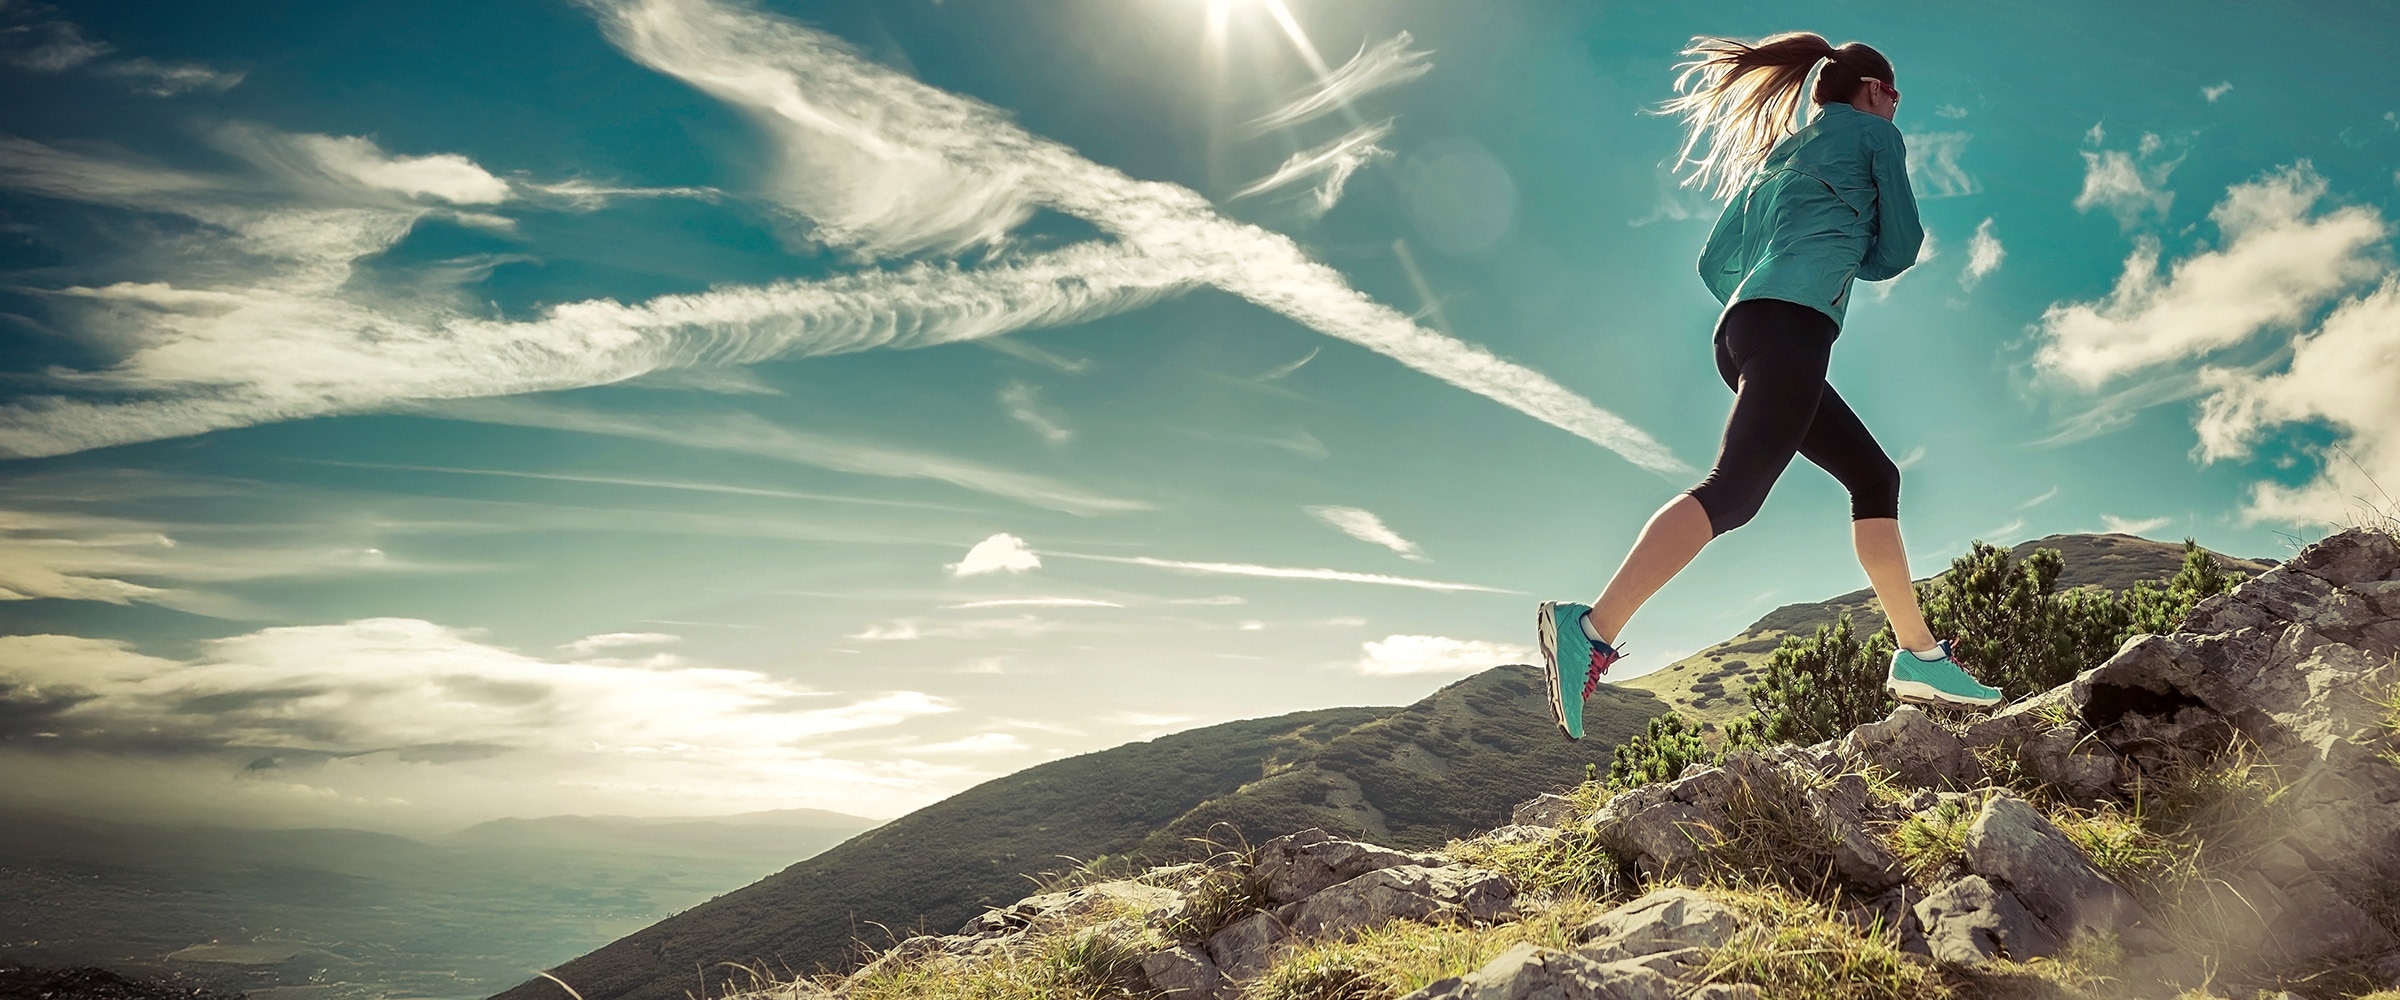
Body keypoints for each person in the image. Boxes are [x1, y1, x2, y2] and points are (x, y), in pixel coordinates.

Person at [1537, 32, 2003, 742]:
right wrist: (1829, 265)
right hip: (1792, 328)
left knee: (1875, 477)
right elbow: (1899, 248)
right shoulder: (1875, 136)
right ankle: (1590, 629)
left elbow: (1713, 261)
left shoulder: (1780, 155)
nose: (1896, 106)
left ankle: (1920, 657)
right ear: (1873, 90)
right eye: (1894, 94)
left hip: (1743, 330)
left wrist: (1775, 278)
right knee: (1733, 493)